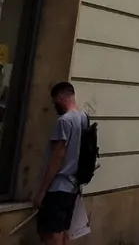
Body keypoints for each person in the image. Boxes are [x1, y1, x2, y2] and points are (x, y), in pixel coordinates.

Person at [33, 82, 89, 244]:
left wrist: (43, 190)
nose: (53, 104)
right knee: (63, 230)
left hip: (58, 186)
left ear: (61, 97)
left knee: (52, 233)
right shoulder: (84, 118)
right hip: (73, 185)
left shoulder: (64, 121)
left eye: (54, 100)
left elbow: (58, 156)